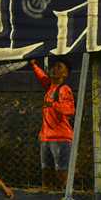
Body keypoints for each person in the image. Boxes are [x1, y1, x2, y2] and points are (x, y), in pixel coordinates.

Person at [30, 57, 75, 190]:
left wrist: (53, 105)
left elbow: (70, 110)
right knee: (46, 171)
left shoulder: (64, 89)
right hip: (46, 138)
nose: (54, 69)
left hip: (60, 138)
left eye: (59, 67)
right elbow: (42, 77)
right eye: (54, 66)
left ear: (65, 74)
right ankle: (47, 196)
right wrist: (34, 65)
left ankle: (65, 198)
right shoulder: (50, 87)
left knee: (61, 173)